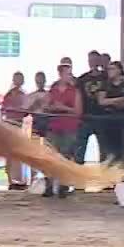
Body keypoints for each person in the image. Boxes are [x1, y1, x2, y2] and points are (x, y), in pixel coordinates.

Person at [43, 61, 82, 198]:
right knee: (50, 155)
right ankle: (49, 185)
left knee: (65, 155)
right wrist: (56, 107)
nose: (69, 76)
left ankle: (63, 185)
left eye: (70, 74)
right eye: (67, 74)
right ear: (60, 74)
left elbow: (78, 111)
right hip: (54, 126)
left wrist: (62, 108)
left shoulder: (74, 91)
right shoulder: (52, 90)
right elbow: (46, 106)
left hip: (69, 126)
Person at [96, 60, 124, 164]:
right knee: (107, 151)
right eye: (108, 69)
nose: (109, 71)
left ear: (119, 70)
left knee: (122, 151)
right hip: (107, 121)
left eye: (112, 69)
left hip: (122, 121)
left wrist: (112, 102)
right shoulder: (105, 85)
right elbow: (101, 101)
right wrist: (119, 99)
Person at [74, 51, 107, 166]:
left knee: (104, 149)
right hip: (86, 117)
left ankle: (104, 178)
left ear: (99, 61)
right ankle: (78, 176)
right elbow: (78, 98)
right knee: (79, 150)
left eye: (94, 60)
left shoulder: (105, 77)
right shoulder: (82, 79)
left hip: (102, 117)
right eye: (90, 60)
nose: (92, 62)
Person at [1, 72, 29, 190]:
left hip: (19, 126)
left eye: (20, 79)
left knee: (18, 154)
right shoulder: (9, 94)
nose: (18, 81)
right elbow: (3, 110)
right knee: (9, 154)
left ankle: (19, 180)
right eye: (17, 78)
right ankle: (11, 180)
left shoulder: (24, 95)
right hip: (9, 126)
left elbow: (26, 111)